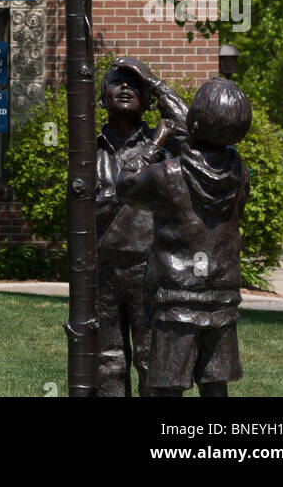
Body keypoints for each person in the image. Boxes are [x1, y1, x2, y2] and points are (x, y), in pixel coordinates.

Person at [116, 77, 252, 398]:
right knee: (214, 384)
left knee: (169, 386)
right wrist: (157, 85)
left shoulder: (168, 174)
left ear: (195, 122)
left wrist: (156, 141)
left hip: (176, 298)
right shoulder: (239, 172)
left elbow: (126, 185)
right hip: (222, 294)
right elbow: (200, 135)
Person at [95, 56, 188, 397]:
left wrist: (155, 82)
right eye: (116, 81)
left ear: (148, 100)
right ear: (102, 98)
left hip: (152, 269)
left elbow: (198, 132)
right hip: (102, 273)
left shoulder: (166, 147)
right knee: (107, 362)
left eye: (135, 84)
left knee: (153, 361)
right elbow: (90, 209)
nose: (125, 87)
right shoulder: (89, 152)